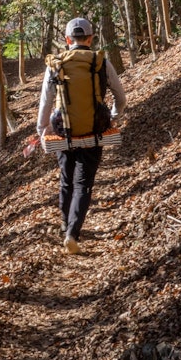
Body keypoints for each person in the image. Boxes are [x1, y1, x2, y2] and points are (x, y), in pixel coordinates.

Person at [36, 17, 126, 254]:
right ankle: (72, 233)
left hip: (63, 129)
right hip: (94, 129)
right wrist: (113, 117)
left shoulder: (55, 64)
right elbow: (121, 97)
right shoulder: (100, 62)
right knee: (83, 184)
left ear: (67, 40)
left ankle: (66, 223)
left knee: (66, 179)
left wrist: (42, 129)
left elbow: (45, 101)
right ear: (91, 38)